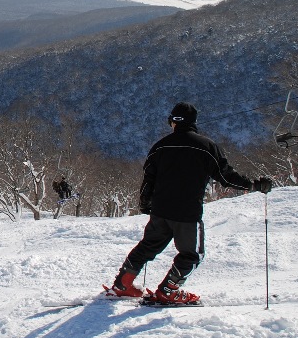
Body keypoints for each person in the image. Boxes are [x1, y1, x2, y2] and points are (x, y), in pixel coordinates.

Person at [108, 102, 273, 304]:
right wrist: (254, 185)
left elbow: (148, 180)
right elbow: (227, 178)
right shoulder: (207, 147)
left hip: (160, 209)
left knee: (148, 246)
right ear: (194, 123)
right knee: (192, 254)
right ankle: (168, 291)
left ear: (172, 122)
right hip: (187, 213)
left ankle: (122, 285)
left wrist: (145, 203)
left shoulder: (159, 146)